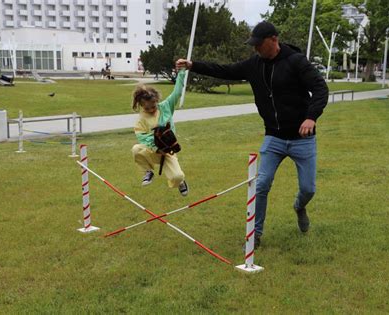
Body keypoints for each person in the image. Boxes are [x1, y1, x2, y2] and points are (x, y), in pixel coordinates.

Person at [176, 21, 329, 246]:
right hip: (274, 137)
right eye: (253, 45)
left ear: (274, 40)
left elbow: (320, 88)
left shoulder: (296, 61)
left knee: (308, 189)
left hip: (302, 138)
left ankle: (299, 206)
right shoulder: (254, 64)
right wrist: (192, 65)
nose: (255, 49)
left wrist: (311, 117)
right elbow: (225, 70)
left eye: (259, 44)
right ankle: (255, 234)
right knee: (261, 184)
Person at [131, 68, 189, 196]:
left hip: (168, 151)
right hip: (153, 150)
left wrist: (181, 73)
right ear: (141, 105)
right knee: (136, 149)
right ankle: (148, 172)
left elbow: (177, 92)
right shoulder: (141, 119)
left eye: (153, 106)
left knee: (177, 176)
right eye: (147, 108)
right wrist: (157, 148)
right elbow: (142, 137)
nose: (151, 110)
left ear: (157, 100)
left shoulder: (166, 107)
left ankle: (181, 182)